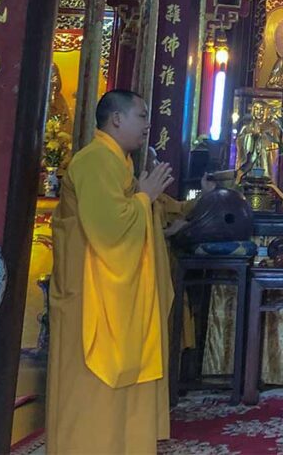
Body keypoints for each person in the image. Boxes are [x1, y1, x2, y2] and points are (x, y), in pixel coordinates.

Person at [46, 90, 212, 454]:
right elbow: (107, 229)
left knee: (122, 374)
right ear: (116, 119)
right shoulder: (95, 161)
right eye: (142, 115)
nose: (148, 124)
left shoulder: (116, 161)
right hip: (91, 294)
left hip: (111, 291)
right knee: (92, 380)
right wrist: (143, 197)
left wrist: (145, 197)